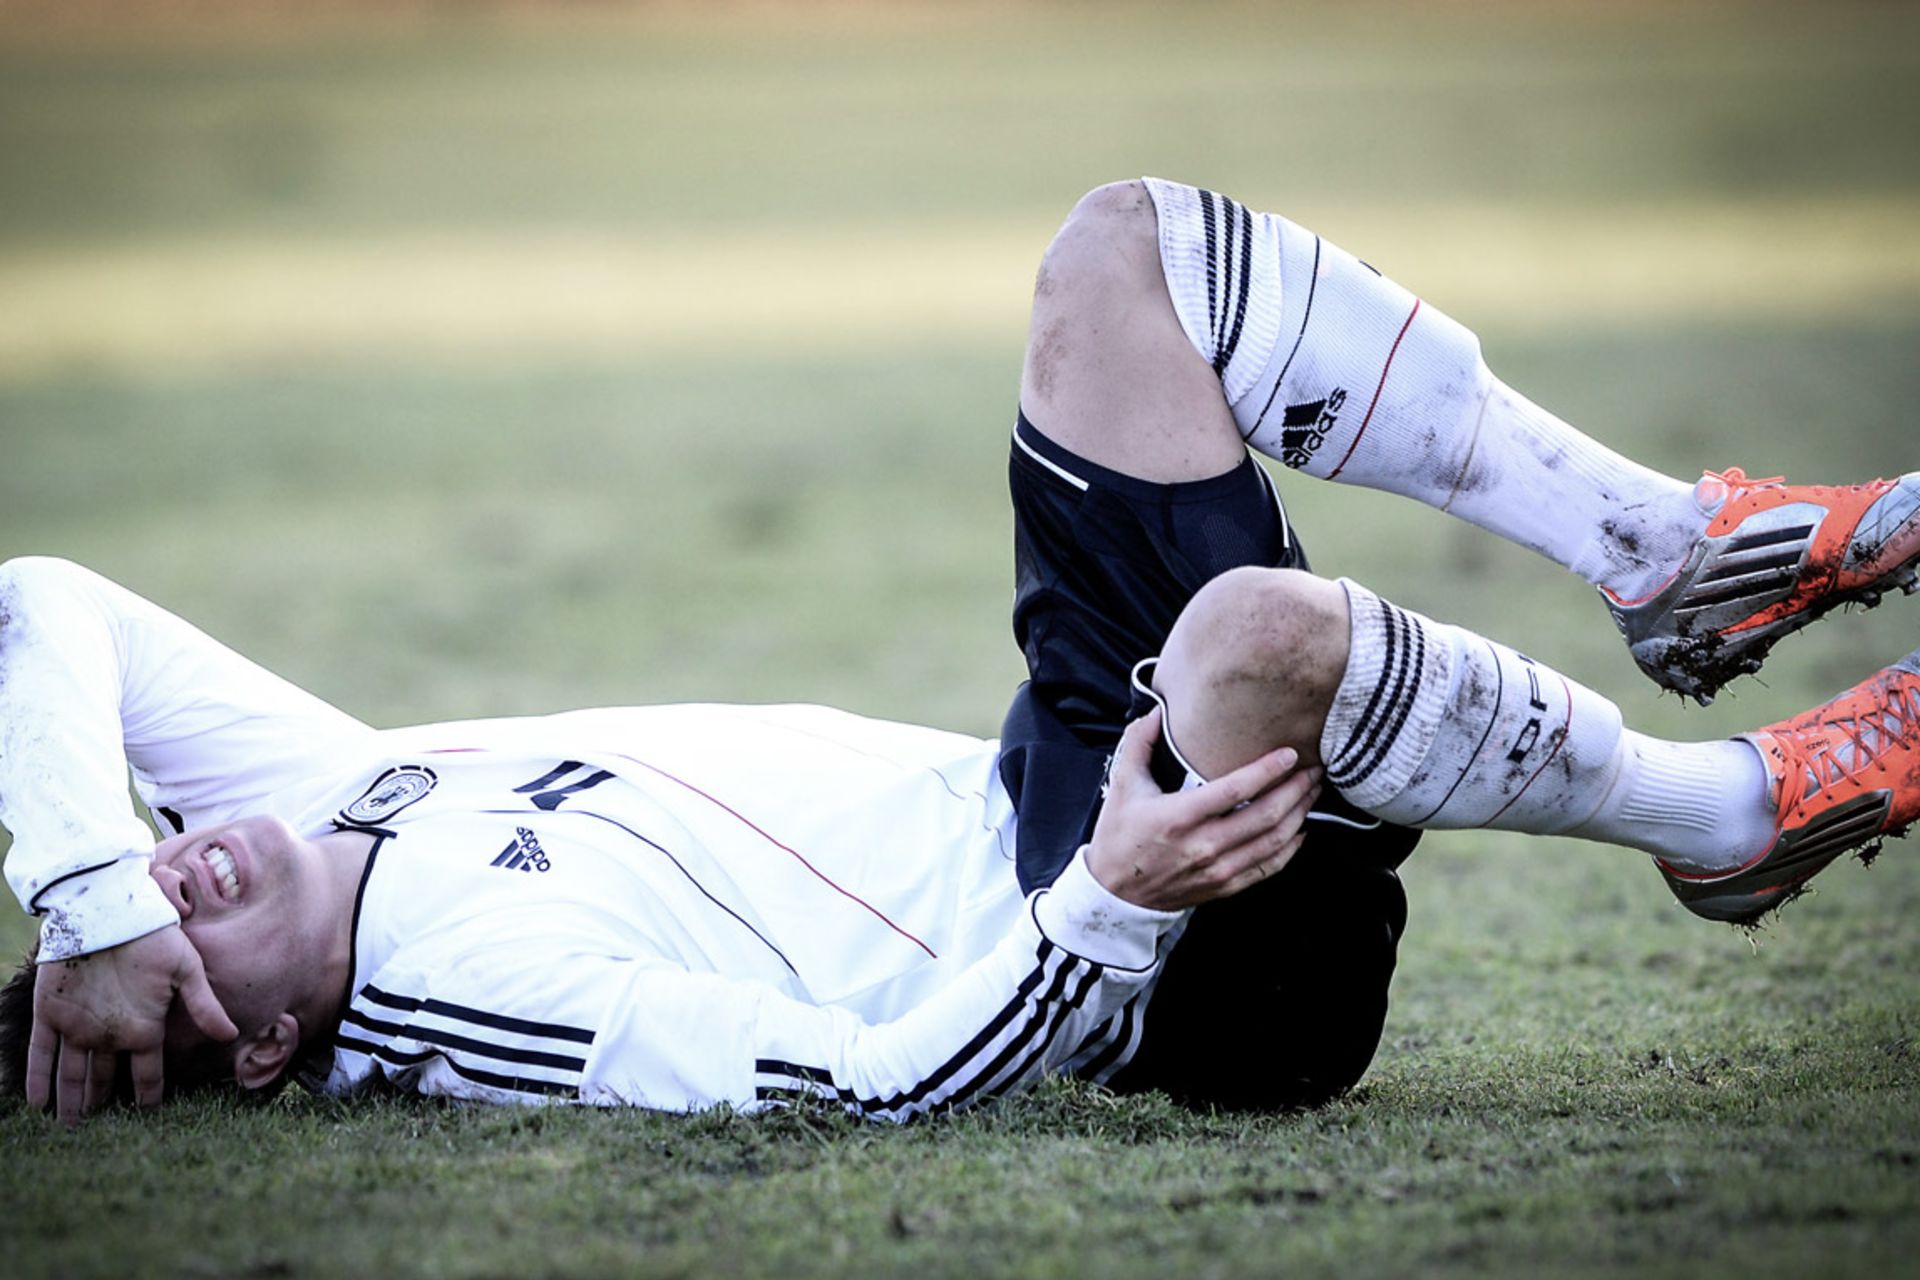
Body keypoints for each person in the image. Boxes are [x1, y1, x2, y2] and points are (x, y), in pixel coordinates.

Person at [4, 179, 1917, 1125]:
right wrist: (1111, 901)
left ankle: (1666, 557)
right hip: (1156, 970)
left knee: (1124, 257)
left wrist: (92, 905)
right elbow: (868, 1092)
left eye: (138, 888)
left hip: (1046, 769)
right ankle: (1722, 813)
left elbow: (40, 605)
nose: (173, 882)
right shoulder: (467, 998)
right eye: (179, 950)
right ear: (260, 1044)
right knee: (1251, 636)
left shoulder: (293, 797)